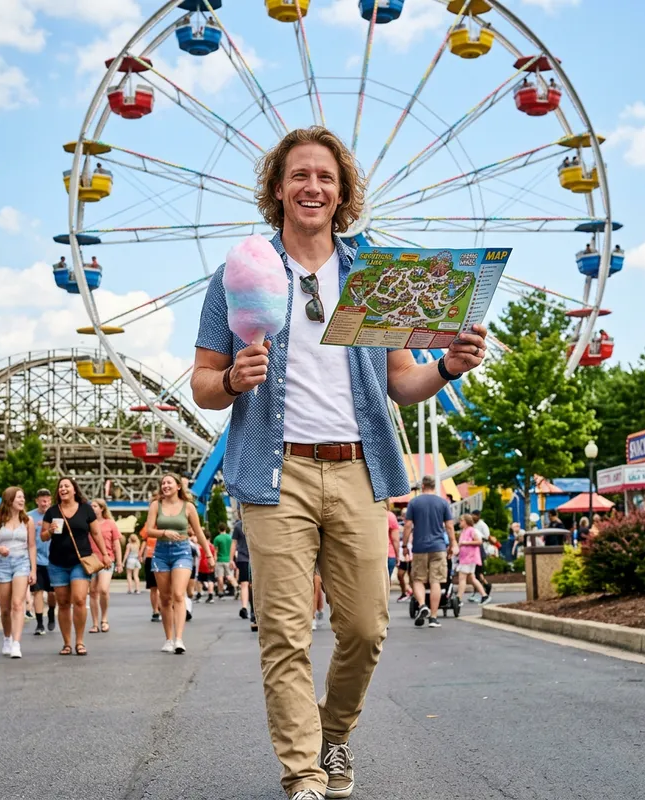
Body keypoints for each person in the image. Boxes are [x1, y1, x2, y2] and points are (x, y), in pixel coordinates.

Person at [191, 125, 487, 800]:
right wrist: (235, 379)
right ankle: (303, 776)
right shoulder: (242, 271)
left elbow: (401, 382)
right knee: (285, 635)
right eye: (299, 175)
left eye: (325, 177)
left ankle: (333, 736)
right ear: (277, 187)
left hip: (359, 468)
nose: (313, 187)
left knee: (365, 628)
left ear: (343, 192)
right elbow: (203, 383)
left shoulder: (373, 274)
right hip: (275, 473)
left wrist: (446, 364)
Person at [40, 477, 113, 657]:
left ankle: (79, 641)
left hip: (81, 562)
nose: (63, 489)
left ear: (74, 490)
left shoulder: (86, 509)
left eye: (67, 486)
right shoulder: (52, 512)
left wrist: (104, 554)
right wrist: (49, 531)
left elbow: (96, 533)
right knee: (63, 603)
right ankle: (66, 643)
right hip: (57, 563)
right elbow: (43, 537)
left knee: (79, 599)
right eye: (60, 487)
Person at [147, 473, 213, 654]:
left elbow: (199, 533)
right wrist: (164, 532)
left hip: (182, 552)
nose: (165, 485)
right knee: (165, 598)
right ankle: (168, 638)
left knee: (178, 594)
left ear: (178, 486)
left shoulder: (188, 507)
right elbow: (149, 530)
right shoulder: (156, 505)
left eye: (169, 482)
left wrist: (208, 554)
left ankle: (179, 639)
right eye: (163, 483)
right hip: (160, 553)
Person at [0, 487, 37, 659]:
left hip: (21, 562)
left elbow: (31, 546)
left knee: (18, 604)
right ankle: (7, 638)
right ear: (9, 500)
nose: (22, 500)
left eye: (23, 497)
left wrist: (33, 569)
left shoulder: (28, 520)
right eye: (18, 497)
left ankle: (16, 643)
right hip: (2, 564)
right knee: (5, 608)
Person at [403, 476, 459, 629]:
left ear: (422, 486)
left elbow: (408, 525)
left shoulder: (414, 502)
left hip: (419, 547)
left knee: (418, 579)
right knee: (436, 581)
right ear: (435, 486)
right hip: (439, 547)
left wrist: (404, 545)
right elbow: (449, 526)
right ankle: (433, 618)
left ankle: (422, 605)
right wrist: (452, 543)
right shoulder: (443, 503)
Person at [88, 498, 123, 634]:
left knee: (103, 589)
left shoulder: (110, 523)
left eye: (95, 506)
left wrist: (119, 563)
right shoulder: (88, 524)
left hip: (107, 560)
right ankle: (95, 623)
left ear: (102, 508)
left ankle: (104, 619)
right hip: (91, 561)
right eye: (91, 506)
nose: (92, 508)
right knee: (92, 592)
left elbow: (117, 544)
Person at [27, 489, 56, 635]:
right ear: (37, 501)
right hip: (36, 559)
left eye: (47, 500)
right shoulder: (29, 517)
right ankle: (39, 623)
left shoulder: (56, 515)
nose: (45, 503)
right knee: (37, 591)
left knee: (53, 593)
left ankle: (51, 611)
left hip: (54, 558)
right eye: (42, 500)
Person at [456, 514, 491, 605]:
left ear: (466, 522)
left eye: (461, 520)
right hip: (465, 557)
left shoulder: (471, 530)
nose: (460, 522)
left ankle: (458, 599)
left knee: (462, 578)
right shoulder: (464, 531)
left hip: (469, 557)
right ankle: (484, 595)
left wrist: (465, 543)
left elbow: (479, 541)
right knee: (472, 578)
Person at [230, 513, 252, 619]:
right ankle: (256, 607)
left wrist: (231, 559)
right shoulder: (255, 522)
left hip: (243, 558)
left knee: (244, 584)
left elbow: (234, 543)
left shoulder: (238, 526)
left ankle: (244, 607)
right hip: (254, 558)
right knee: (254, 584)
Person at [470, 509, 493, 602]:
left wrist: (477, 538)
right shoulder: (473, 525)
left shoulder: (482, 525)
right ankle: (484, 587)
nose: (473, 517)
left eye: (474, 515)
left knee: (477, 574)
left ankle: (482, 590)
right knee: (476, 574)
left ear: (478, 515)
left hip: (479, 551)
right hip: (475, 552)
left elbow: (486, 537)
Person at [212, 523, 235, 598]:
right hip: (228, 559)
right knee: (229, 576)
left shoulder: (217, 538)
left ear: (219, 529)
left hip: (220, 559)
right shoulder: (230, 538)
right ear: (225, 529)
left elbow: (216, 551)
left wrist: (214, 561)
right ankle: (237, 586)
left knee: (220, 577)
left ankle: (221, 592)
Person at [196, 534, 216, 604]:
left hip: (201, 564)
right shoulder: (212, 546)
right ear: (209, 538)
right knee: (210, 580)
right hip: (209, 563)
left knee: (199, 580)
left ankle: (199, 594)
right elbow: (214, 556)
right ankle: (210, 596)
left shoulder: (200, 546)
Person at [386, 502, 400, 586]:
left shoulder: (369, 514)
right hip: (389, 553)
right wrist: (397, 555)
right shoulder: (390, 516)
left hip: (373, 552)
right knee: (387, 581)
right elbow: (395, 540)